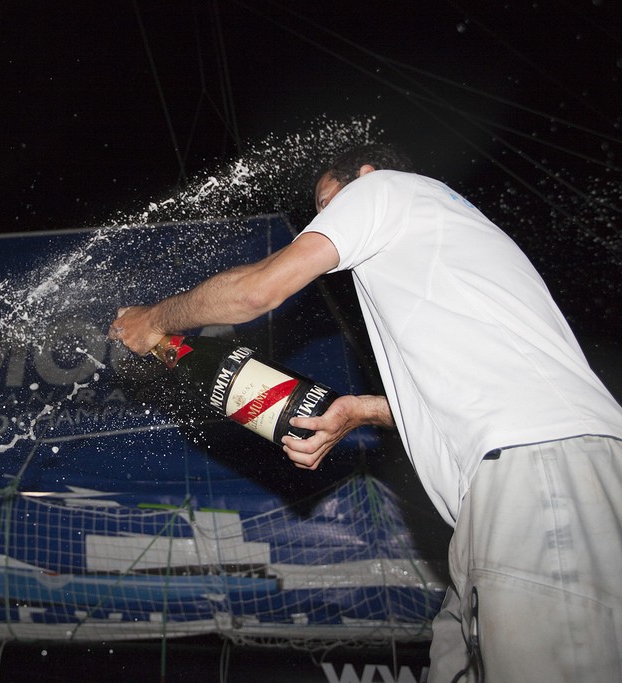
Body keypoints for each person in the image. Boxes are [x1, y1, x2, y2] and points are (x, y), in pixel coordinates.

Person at [109, 143, 622, 681]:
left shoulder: (386, 190)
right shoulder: (435, 247)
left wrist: (155, 319)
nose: (324, 221)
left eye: (328, 204)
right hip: (497, 493)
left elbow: (258, 291)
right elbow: (466, 393)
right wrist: (362, 411)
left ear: (368, 174)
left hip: (538, 471)